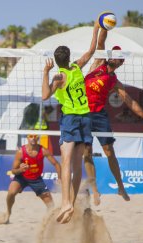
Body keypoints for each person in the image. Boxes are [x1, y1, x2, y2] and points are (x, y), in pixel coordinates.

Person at [84, 29, 143, 206]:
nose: (114, 56)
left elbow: (130, 101)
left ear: (120, 62)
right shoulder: (98, 63)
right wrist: (101, 26)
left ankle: (120, 186)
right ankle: (95, 189)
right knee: (86, 152)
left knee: (109, 151)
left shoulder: (114, 81)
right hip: (83, 112)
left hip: (99, 114)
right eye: (113, 53)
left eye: (118, 55)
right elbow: (101, 42)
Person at [42, 21, 101, 224]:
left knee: (66, 162)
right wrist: (97, 28)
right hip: (86, 118)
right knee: (77, 166)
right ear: (68, 57)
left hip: (71, 119)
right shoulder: (77, 66)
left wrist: (45, 72)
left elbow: (44, 96)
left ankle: (66, 203)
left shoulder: (59, 77)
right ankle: (71, 204)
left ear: (57, 61)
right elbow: (92, 50)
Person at [0, 134, 61, 224]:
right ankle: (8, 213)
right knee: (11, 192)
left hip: (36, 179)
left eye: (35, 136)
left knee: (51, 205)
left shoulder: (43, 150)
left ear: (38, 138)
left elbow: (56, 164)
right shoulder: (21, 152)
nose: (33, 138)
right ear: (27, 138)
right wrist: (20, 169)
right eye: (31, 136)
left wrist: (60, 178)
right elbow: (13, 171)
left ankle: (47, 222)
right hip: (21, 177)